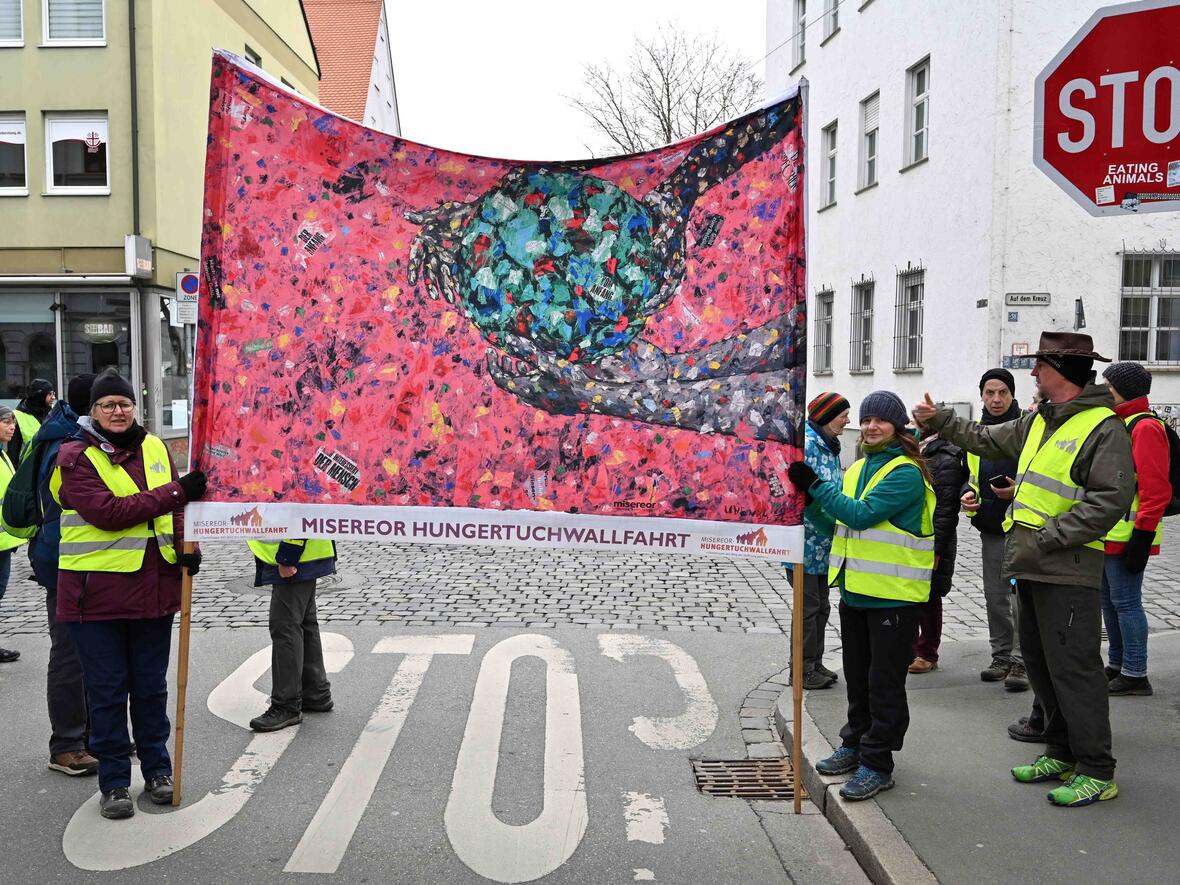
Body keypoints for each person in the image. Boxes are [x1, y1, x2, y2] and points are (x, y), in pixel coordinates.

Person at [913, 331, 1135, 807]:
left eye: (1040, 366)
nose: (1032, 373)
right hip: (1032, 565)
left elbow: (1109, 502)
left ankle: (1097, 769)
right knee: (1039, 664)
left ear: (1062, 372)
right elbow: (982, 436)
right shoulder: (1041, 421)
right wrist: (942, 421)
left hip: (1067, 568)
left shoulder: (1103, 427)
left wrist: (1051, 537)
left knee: (1075, 669)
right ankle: (1059, 750)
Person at [53, 369, 206, 819]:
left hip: (154, 591)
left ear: (134, 407)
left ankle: (158, 771)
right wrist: (177, 490)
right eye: (107, 406)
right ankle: (115, 782)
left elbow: (179, 509)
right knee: (106, 692)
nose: (117, 412)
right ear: (93, 412)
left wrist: (185, 548)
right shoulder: (75, 457)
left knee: (150, 689)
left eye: (123, 404)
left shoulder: (156, 447)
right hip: (93, 597)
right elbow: (109, 513)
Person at [788, 390, 936, 801]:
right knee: (858, 679)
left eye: (881, 420)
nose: (871, 426)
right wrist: (806, 502)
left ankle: (877, 763)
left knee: (884, 685)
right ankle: (854, 743)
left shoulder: (904, 472)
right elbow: (838, 522)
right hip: (857, 593)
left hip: (893, 598)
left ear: (898, 426)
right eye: (867, 418)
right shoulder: (858, 467)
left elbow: (860, 514)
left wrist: (815, 485)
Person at [1, 375, 100, 775]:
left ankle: (94, 734)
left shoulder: (67, 433)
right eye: (107, 403)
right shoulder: (66, 445)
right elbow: (67, 512)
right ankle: (67, 744)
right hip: (66, 564)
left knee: (96, 652)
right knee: (71, 653)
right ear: (91, 406)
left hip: (84, 563)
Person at [1099, 361, 1168, 697]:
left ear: (1122, 390)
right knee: (1110, 602)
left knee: (1126, 603)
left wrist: (1142, 536)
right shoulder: (1121, 423)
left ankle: (1136, 672)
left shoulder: (1144, 427)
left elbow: (1155, 489)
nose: (1103, 391)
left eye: (1108, 386)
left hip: (1129, 535)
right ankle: (1116, 663)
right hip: (1109, 533)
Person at [960, 369, 1028, 692]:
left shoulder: (1027, 429)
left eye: (1002, 392)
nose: (996, 399)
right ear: (982, 395)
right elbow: (968, 473)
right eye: (990, 392)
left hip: (1023, 526)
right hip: (990, 524)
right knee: (995, 596)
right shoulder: (976, 433)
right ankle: (1001, 655)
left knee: (1021, 597)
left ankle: (1021, 660)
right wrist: (967, 494)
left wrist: (1019, 491)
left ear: (1013, 395)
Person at [791, 391, 850, 690]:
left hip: (824, 544)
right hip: (804, 542)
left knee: (821, 607)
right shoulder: (809, 446)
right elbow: (801, 496)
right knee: (808, 608)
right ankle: (801, 670)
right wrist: (828, 525)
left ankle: (815, 662)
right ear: (827, 416)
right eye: (843, 415)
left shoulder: (830, 446)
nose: (848, 420)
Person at [247, 538, 337, 732]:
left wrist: (288, 555)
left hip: (296, 556)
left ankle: (286, 705)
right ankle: (314, 692)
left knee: (285, 626)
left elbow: (297, 513)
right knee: (304, 623)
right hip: (306, 554)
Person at [908, 425, 966, 674]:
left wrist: (936, 547)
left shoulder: (947, 457)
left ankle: (927, 652)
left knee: (929, 596)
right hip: (911, 536)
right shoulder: (913, 450)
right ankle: (910, 649)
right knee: (908, 594)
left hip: (933, 538)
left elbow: (945, 510)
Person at [0, 406, 30, 663]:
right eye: (6, 422)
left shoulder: (4, 455)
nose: (12, 427)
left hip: (4, 541)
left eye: (12, 423)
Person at [9, 378, 56, 463]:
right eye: (50, 394)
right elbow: (13, 454)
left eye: (53, 393)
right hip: (28, 471)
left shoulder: (53, 412)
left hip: (49, 469)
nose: (53, 397)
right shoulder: (18, 416)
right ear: (40, 395)